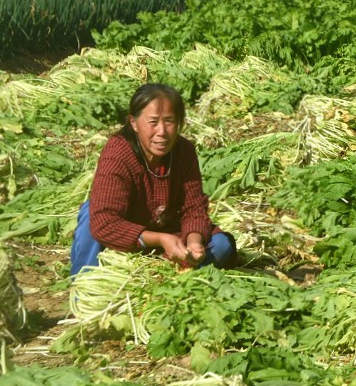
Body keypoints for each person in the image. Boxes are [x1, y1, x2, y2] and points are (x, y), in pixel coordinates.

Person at [69, 83, 236, 276]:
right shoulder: (118, 153)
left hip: (170, 229)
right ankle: (83, 281)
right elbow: (105, 222)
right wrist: (159, 239)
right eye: (153, 122)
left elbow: (194, 208)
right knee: (92, 214)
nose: (162, 132)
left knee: (222, 245)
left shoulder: (184, 152)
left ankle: (166, 274)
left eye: (169, 121)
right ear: (133, 123)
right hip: (128, 233)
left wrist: (194, 243)